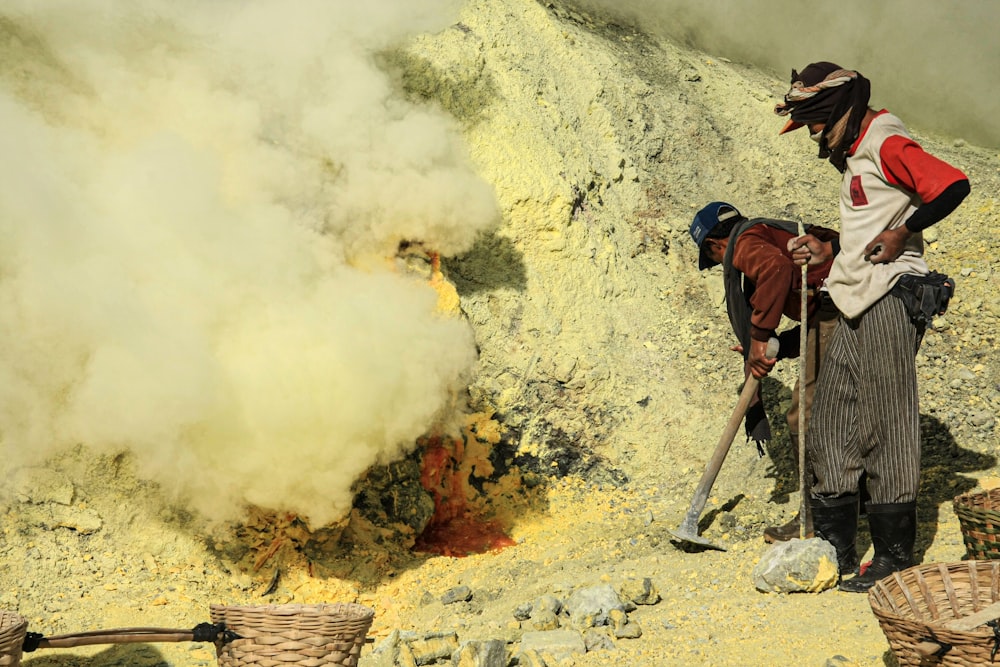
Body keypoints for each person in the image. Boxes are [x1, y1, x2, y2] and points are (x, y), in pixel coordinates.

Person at [775, 61, 970, 592]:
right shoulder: (858, 154)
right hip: (853, 296)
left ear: (837, 110)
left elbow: (953, 185)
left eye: (815, 123)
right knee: (832, 418)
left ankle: (893, 556)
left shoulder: (885, 140)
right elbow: (868, 223)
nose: (814, 135)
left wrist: (905, 232)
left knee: (887, 423)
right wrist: (828, 248)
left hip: (890, 295)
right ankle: (835, 547)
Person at [689, 202, 840, 542]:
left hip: (845, 307)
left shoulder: (745, 242)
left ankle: (816, 515)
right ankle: (846, 501)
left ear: (715, 246)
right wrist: (776, 345)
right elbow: (813, 320)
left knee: (805, 414)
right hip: (847, 306)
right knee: (841, 412)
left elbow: (775, 270)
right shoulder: (766, 233)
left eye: (712, 260)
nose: (720, 265)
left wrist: (758, 337)